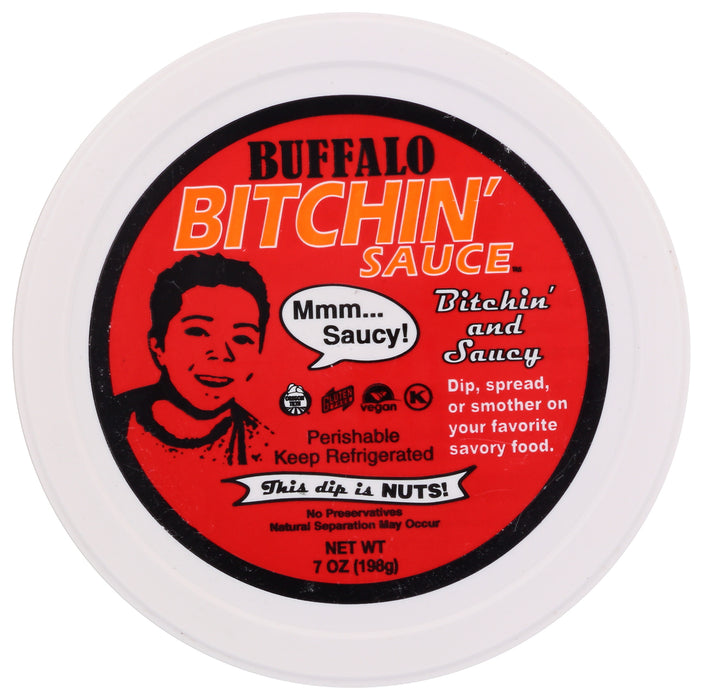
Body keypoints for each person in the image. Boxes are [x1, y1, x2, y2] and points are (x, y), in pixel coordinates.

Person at [115, 253, 272, 468]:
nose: (222, 353)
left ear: (259, 353)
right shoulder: (110, 419)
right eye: (198, 332)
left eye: (241, 338)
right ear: (158, 345)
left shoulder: (264, 443)